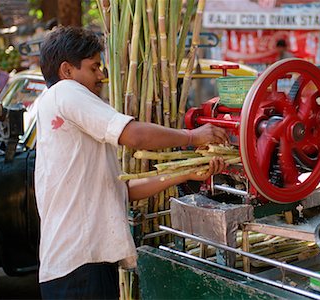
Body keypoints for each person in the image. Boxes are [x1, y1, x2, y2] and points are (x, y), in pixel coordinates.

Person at [36, 26, 228, 299]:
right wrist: (192, 136)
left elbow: (122, 191)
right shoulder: (65, 92)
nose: (101, 76)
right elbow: (133, 135)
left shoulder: (56, 108)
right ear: (67, 71)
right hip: (79, 269)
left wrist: (185, 174)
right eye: (94, 68)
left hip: (77, 266)